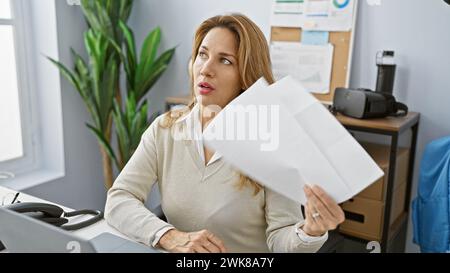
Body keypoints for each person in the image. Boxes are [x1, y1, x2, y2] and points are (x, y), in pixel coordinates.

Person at [105, 13, 345, 253]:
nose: (206, 69)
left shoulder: (270, 142)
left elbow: (281, 240)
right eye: (202, 54)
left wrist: (310, 231)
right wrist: (169, 236)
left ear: (245, 77)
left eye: (226, 61)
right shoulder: (165, 129)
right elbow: (119, 199)